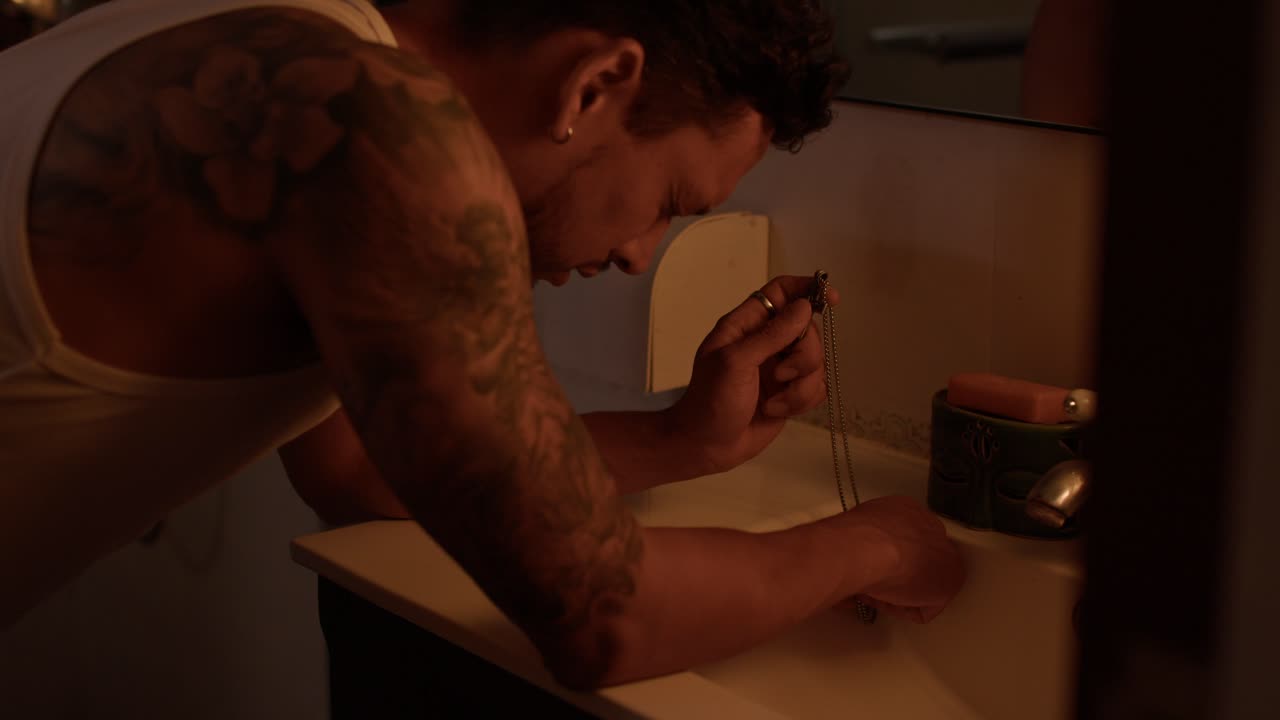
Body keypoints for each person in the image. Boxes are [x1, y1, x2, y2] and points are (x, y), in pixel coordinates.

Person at [0, 0, 964, 690]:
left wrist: (683, 443)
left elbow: (355, 469)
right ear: (597, 81)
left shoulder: (279, 30)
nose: (638, 255)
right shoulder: (379, 128)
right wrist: (882, 543)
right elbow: (607, 621)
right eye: (670, 202)